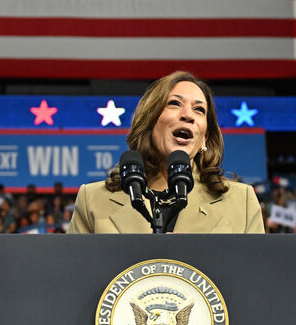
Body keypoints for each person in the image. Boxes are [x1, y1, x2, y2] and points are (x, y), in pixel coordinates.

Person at [67, 71, 264, 234]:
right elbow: (73, 277)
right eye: (175, 103)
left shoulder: (241, 202)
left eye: (199, 110)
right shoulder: (92, 200)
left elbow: (254, 278)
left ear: (204, 138)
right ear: (150, 121)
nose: (188, 115)